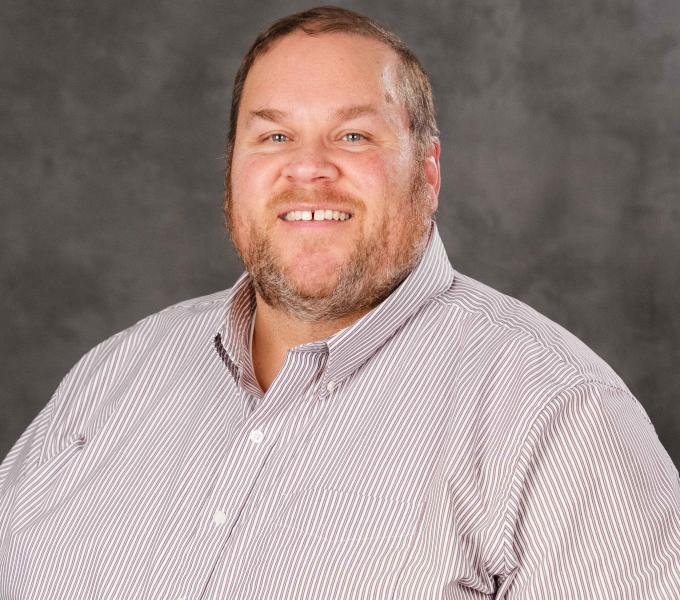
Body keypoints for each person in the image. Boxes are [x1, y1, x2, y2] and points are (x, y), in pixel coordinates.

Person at [0, 6, 678, 599]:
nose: (308, 168)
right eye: (273, 136)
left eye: (354, 136)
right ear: (233, 170)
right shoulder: (116, 375)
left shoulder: (559, 418)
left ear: (429, 170)